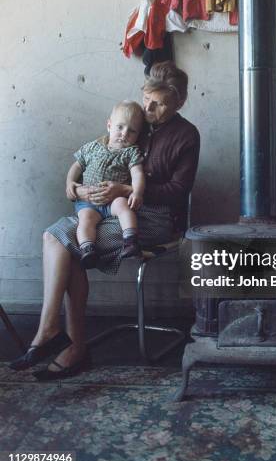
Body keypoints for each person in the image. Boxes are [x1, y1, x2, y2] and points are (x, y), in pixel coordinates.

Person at [9, 61, 200, 380]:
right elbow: (97, 154)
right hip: (108, 206)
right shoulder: (133, 118)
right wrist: (80, 186)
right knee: (53, 236)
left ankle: (70, 345)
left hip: (153, 218)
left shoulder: (186, 135)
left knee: (67, 244)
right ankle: (52, 330)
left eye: (160, 103)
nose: (149, 108)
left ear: (179, 102)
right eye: (146, 98)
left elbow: (178, 192)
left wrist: (126, 188)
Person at [67, 100, 146, 268]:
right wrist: (70, 183)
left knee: (124, 206)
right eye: (120, 127)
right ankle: (88, 249)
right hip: (89, 201)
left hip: (113, 200)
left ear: (138, 135)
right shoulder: (92, 147)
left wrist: (137, 192)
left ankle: (131, 241)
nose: (124, 134)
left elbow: (137, 173)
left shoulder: (131, 152)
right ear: (109, 125)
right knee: (85, 220)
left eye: (131, 131)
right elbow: (77, 166)